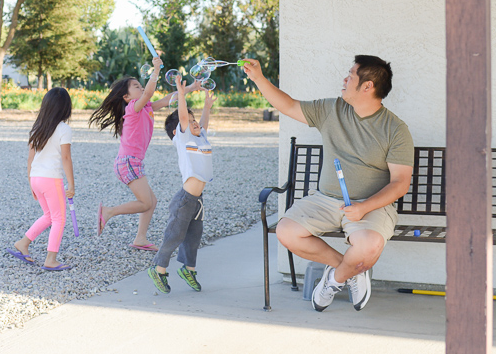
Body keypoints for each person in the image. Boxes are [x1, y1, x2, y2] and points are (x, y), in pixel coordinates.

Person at [242, 55, 413, 312]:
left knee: (369, 247)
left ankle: (334, 280)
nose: (345, 79)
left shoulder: (395, 129)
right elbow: (288, 105)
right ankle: (350, 270)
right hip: (325, 199)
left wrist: (364, 206)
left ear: (367, 86)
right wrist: (258, 78)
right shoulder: (331, 110)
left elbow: (400, 183)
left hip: (371, 205)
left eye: (351, 75)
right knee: (286, 231)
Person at [89, 57, 199, 250]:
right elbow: (149, 92)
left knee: (151, 202)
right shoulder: (133, 108)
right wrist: (156, 70)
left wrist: (189, 88)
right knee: (145, 202)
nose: (141, 89)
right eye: (136, 87)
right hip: (128, 162)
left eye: (140, 86)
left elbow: (168, 99)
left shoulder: (146, 107)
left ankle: (140, 238)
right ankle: (108, 212)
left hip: (133, 162)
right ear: (127, 97)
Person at [147, 74, 215, 294]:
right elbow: (183, 116)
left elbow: (201, 122)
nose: (194, 123)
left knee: (194, 236)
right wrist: (181, 91)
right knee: (175, 234)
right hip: (185, 200)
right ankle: (158, 268)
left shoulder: (200, 137)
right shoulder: (183, 138)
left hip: (197, 201)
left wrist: (207, 105)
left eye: (194, 121)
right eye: (189, 121)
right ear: (178, 131)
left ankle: (189, 269)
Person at [6, 87, 76, 271]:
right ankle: (51, 259)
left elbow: (30, 158)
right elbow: (66, 157)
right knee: (59, 219)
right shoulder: (63, 129)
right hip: (51, 179)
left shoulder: (38, 127)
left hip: (36, 178)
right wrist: (71, 183)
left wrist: (30, 181)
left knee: (49, 216)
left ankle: (23, 243)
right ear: (66, 108)